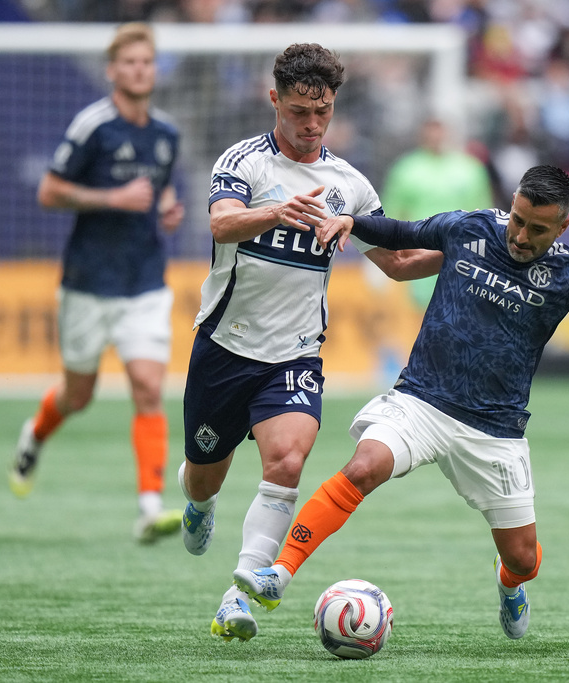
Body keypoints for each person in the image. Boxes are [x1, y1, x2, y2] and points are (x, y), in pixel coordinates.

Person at [233, 164, 569, 640]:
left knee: (524, 559)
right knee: (364, 466)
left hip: (494, 430)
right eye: (518, 220)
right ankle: (280, 573)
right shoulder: (471, 227)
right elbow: (403, 232)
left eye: (537, 229)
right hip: (422, 401)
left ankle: (509, 584)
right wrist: (352, 221)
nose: (521, 236)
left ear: (563, 227)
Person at [179, 43, 441, 643]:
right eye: (300, 111)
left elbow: (397, 262)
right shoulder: (244, 163)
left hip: (295, 353)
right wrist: (276, 213)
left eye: (322, 111)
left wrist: (463, 254)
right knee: (204, 475)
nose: (312, 124)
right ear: (275, 100)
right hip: (225, 347)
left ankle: (239, 595)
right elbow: (220, 222)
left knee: (288, 461)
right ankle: (198, 505)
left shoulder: (349, 185)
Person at [9, 23, 186, 545]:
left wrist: (168, 208)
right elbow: (48, 191)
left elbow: (160, 189)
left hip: (145, 281)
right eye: (130, 62)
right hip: (88, 282)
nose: (140, 70)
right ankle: (35, 433)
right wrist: (112, 199)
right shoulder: (93, 126)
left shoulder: (167, 133)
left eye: (146, 62)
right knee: (78, 395)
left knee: (148, 388)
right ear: (112, 70)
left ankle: (149, 507)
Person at [380, 117, 493, 309]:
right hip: (418, 255)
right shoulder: (405, 169)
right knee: (419, 314)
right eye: (431, 131)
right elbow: (391, 215)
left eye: (439, 131)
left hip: (461, 255)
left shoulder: (470, 169)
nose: (436, 137)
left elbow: (483, 215)